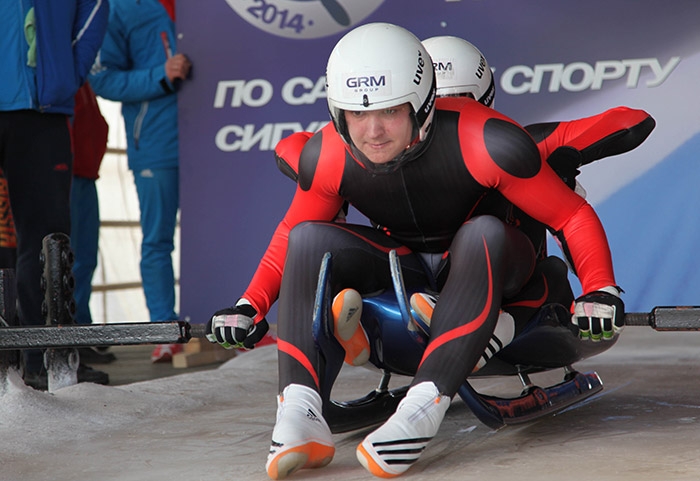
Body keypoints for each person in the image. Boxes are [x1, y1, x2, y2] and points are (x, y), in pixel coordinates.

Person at [208, 22, 635, 479]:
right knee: (310, 237)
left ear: (425, 104)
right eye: (356, 114)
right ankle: (299, 410)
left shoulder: (490, 139)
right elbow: (290, 231)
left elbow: (570, 214)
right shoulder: (328, 152)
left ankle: (422, 406)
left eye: (390, 111)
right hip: (407, 271)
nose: (372, 132)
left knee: (483, 231)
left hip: (495, 266)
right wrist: (248, 304)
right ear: (337, 111)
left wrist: (600, 288)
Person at [272, 35, 655, 365]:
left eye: (458, 101)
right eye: (437, 105)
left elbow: (629, 120)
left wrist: (562, 158)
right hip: (412, 277)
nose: (447, 116)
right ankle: (379, 323)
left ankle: (475, 323)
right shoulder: (377, 147)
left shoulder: (508, 145)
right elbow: (296, 148)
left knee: (543, 272)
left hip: (503, 280)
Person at [0, 0, 109, 390]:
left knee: (47, 238)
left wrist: (66, 74)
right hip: (36, 102)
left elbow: (95, 8)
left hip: (42, 110)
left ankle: (49, 358)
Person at [89, 0, 192, 363]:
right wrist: (160, 74)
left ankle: (242, 321)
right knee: (158, 238)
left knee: (230, 232)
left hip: (219, 140)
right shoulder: (118, 7)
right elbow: (100, 77)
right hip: (156, 143)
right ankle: (165, 330)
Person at [70, 81, 117, 365]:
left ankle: (81, 329)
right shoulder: (58, 65)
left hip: (86, 174)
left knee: (85, 258)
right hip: (69, 174)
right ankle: (72, 334)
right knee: (71, 257)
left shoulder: (79, 72)